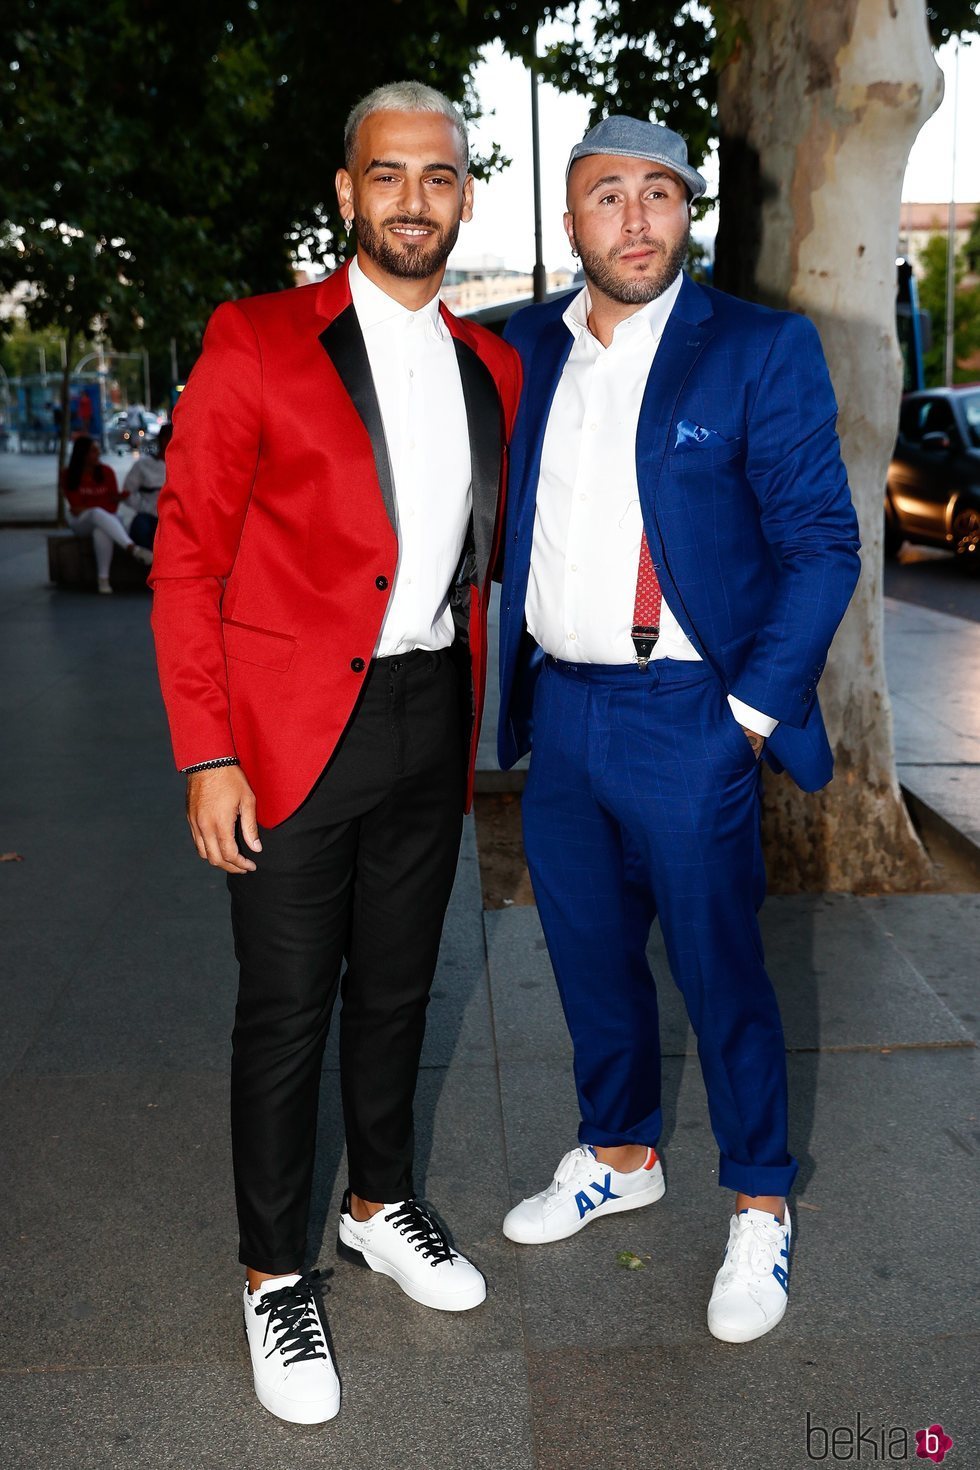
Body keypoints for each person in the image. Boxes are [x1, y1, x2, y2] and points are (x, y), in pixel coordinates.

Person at [150, 81, 520, 1425]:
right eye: (389, 173)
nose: (414, 197)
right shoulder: (254, 341)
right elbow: (186, 556)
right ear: (348, 191)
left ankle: (377, 1201)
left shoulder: (494, 366)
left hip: (431, 718)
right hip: (289, 734)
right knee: (286, 1008)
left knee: (401, 990)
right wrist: (208, 751)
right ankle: (270, 1272)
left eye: (440, 174)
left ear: (464, 195)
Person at [497, 117, 860, 1345]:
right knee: (589, 959)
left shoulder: (755, 348)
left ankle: (759, 1199)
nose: (636, 218)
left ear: (686, 212)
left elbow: (821, 547)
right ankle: (619, 1153)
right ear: (569, 221)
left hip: (691, 715)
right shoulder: (521, 349)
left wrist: (746, 720)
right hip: (562, 707)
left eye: (660, 193)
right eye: (608, 195)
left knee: (720, 974)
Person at [62, 435, 153, 593]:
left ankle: (103, 579)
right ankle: (132, 548)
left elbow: (112, 508)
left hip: (105, 519)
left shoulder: (106, 472)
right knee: (97, 513)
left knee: (101, 530)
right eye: (93, 451)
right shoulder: (69, 475)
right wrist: (101, 504)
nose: (98, 454)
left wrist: (90, 505)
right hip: (82, 522)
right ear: (82, 454)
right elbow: (76, 508)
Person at [120, 421, 171, 547]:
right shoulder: (143, 465)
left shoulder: (188, 466)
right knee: (141, 528)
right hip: (150, 516)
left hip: (178, 518)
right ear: (163, 440)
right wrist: (147, 508)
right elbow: (127, 493)